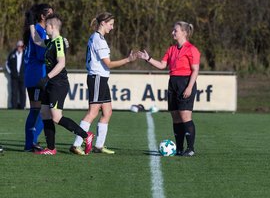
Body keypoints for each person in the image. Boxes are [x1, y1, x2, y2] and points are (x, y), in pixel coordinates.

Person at [70, 12, 136, 155]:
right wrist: (128, 60)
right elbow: (109, 64)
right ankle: (76, 144)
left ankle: (99, 146)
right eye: (110, 24)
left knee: (107, 112)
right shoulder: (98, 39)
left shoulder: (98, 38)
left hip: (101, 78)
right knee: (92, 112)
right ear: (103, 23)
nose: (112, 28)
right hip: (97, 78)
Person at [29, 13, 94, 155]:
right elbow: (37, 41)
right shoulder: (51, 42)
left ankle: (86, 136)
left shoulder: (58, 41)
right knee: (45, 113)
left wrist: (47, 77)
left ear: (52, 26)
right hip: (51, 83)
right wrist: (31, 23)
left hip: (58, 83)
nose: (45, 28)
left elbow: (62, 63)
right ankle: (51, 149)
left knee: (56, 117)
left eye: (46, 26)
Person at [137, 21, 200, 157]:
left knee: (185, 116)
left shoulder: (192, 49)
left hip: (185, 82)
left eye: (175, 31)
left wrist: (189, 87)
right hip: (173, 82)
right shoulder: (171, 49)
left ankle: (190, 148)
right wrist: (148, 58)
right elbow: (162, 65)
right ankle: (179, 148)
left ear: (184, 33)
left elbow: (195, 70)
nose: (173, 33)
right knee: (176, 117)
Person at [22, 4, 53, 152]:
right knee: (41, 110)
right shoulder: (40, 31)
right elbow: (42, 56)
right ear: (42, 16)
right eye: (50, 14)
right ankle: (31, 143)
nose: (53, 17)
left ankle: (30, 143)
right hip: (38, 76)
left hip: (32, 74)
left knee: (37, 109)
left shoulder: (35, 30)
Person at [6, 40, 26, 109]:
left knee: (22, 92)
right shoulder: (12, 54)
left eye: (21, 46)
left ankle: (22, 106)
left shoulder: (26, 55)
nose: (20, 47)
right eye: (19, 46)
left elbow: (29, 65)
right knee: (14, 92)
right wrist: (11, 72)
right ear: (17, 46)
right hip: (14, 77)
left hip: (23, 76)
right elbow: (7, 64)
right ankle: (14, 107)